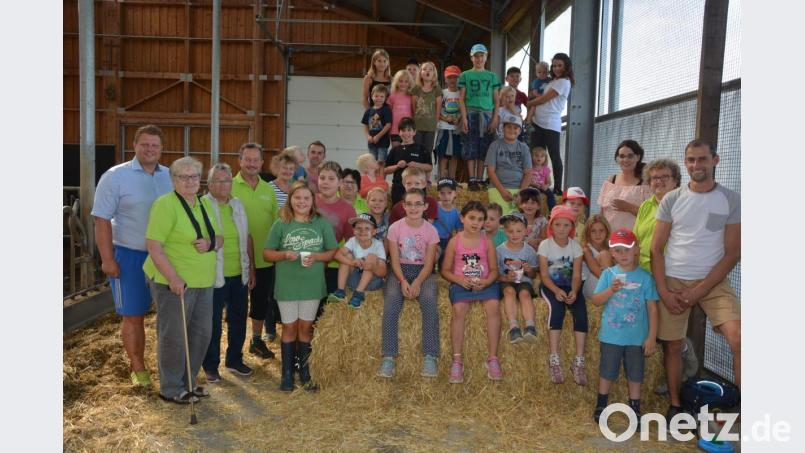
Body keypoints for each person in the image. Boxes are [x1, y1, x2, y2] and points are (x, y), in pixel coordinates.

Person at [650, 139, 741, 421]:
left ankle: (743, 406)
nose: (695, 165)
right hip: (674, 279)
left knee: (739, 338)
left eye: (702, 159)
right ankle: (676, 405)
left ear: (715, 160)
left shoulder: (730, 199)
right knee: (673, 345)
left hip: (712, 281)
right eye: (690, 159)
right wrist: (664, 292)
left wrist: (699, 290)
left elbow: (733, 252)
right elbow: (656, 249)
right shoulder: (672, 199)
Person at [92, 124, 173, 388]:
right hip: (130, 254)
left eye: (155, 145)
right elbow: (101, 219)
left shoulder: (170, 176)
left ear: (162, 148)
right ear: (134, 145)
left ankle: (170, 366)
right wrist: (107, 259)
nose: (150, 149)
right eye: (145, 144)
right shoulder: (115, 176)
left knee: (170, 314)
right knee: (133, 314)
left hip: (166, 256)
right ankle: (138, 367)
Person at [143, 157, 222, 404]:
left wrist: (210, 243)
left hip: (203, 280)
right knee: (175, 336)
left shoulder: (205, 203)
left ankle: (188, 382)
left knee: (201, 333)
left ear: (200, 179)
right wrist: (173, 277)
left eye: (194, 176)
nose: (189, 181)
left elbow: (219, 238)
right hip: (175, 283)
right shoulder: (165, 205)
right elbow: (154, 246)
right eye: (183, 177)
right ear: (173, 180)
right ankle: (170, 387)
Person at [264, 182, 339, 392]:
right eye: (297, 197)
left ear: (313, 200)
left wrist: (316, 257)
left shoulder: (321, 223)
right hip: (287, 285)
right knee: (289, 328)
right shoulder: (281, 223)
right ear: (290, 200)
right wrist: (284, 255)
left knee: (305, 328)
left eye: (306, 198)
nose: (302, 202)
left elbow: (332, 251)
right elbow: (267, 253)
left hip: (312, 285)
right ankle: (287, 374)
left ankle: (305, 373)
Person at [591, 228, 658, 422]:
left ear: (636, 249)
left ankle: (635, 408)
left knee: (635, 374)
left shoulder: (645, 277)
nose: (623, 254)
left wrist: (651, 337)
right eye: (617, 250)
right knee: (607, 371)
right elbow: (596, 300)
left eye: (627, 249)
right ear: (611, 252)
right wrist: (610, 290)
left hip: (637, 338)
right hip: (611, 336)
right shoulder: (608, 274)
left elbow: (653, 309)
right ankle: (601, 404)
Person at [379, 188, 441, 379]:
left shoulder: (431, 231)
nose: (414, 208)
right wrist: (403, 281)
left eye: (418, 204)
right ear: (403, 206)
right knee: (391, 301)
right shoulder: (395, 228)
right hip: (400, 271)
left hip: (423, 271)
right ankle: (388, 356)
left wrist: (418, 283)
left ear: (425, 206)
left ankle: (430, 355)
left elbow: (429, 264)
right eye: (410, 204)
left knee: (429, 300)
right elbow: (394, 260)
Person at [202, 163, 256, 382]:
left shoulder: (238, 205)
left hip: (239, 273)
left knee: (238, 319)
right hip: (213, 275)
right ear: (209, 184)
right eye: (218, 180)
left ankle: (234, 360)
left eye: (227, 180)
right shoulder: (202, 205)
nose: (223, 185)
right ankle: (210, 365)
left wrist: (251, 267)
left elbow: (247, 236)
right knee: (213, 322)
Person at [441, 201, 502, 383]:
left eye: (480, 219)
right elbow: (445, 271)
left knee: (494, 306)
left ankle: (493, 358)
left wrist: (487, 282)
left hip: (485, 283)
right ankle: (457, 360)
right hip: (461, 284)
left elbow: (494, 270)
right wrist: (460, 280)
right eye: (472, 218)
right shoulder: (455, 241)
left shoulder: (487, 242)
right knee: (458, 309)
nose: (476, 223)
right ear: (462, 218)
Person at [230, 143, 280, 358]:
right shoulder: (229, 187)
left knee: (260, 302)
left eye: (255, 160)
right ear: (239, 161)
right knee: (237, 307)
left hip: (265, 256)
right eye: (247, 159)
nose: (251, 163)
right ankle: (234, 350)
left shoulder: (268, 189)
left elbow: (277, 222)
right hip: (236, 259)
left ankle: (256, 340)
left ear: (261, 162)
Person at [538, 205, 587, 386]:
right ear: (551, 226)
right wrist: (556, 291)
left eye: (566, 225)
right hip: (550, 286)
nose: (561, 229)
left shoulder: (576, 247)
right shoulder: (545, 245)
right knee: (557, 311)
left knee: (581, 313)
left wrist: (574, 290)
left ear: (572, 227)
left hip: (570, 285)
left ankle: (579, 361)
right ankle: (554, 359)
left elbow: (576, 275)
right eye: (558, 224)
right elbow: (544, 276)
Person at [527, 53, 574, 194]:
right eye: (554, 66)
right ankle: (536, 184)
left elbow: (544, 99)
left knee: (554, 154)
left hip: (551, 124)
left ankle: (557, 187)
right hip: (537, 122)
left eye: (559, 65)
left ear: (566, 66)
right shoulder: (552, 81)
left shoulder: (564, 82)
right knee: (536, 155)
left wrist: (529, 103)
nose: (556, 68)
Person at [459, 43, 501, 191]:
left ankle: (479, 178)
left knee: (484, 148)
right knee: (471, 147)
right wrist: (464, 118)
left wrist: (495, 119)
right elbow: (461, 99)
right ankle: (471, 179)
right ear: (471, 58)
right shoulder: (465, 75)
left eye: (481, 56)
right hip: (471, 113)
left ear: (486, 57)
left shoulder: (492, 76)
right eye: (476, 56)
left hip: (487, 115)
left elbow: (496, 100)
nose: (479, 59)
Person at [316, 161, 357, 311]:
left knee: (324, 310)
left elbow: (351, 243)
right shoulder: (307, 200)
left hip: (332, 266)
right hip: (306, 263)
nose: (325, 182)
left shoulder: (348, 210)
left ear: (340, 182)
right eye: (322, 178)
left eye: (331, 178)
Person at [328, 213, 388, 308]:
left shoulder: (378, 244)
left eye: (367, 228)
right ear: (354, 231)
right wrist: (352, 262)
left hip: (371, 283)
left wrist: (372, 267)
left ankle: (358, 294)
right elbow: (337, 255)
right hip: (354, 282)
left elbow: (383, 272)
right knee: (347, 256)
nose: (362, 231)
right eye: (358, 228)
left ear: (374, 232)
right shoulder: (353, 240)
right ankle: (340, 291)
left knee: (371, 257)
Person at [496, 213, 539, 344]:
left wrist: (529, 270)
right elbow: (495, 274)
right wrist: (505, 277)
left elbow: (534, 275)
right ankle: (513, 327)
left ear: (526, 231)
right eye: (510, 231)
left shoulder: (529, 251)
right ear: (504, 231)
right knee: (509, 292)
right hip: (507, 282)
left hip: (524, 282)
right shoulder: (499, 251)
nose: (514, 235)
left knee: (525, 294)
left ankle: (530, 327)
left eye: (519, 231)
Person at [633, 158, 681, 272]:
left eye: (665, 177)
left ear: (675, 181)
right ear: (649, 183)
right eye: (654, 178)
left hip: (669, 271)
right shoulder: (646, 205)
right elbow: (636, 239)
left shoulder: (682, 205)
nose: (659, 181)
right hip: (642, 270)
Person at [597, 139, 652, 231]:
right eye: (622, 156)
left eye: (630, 156)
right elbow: (602, 212)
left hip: (633, 237)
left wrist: (628, 207)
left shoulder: (646, 183)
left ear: (638, 157)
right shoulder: (610, 180)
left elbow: (651, 215)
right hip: (609, 237)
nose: (625, 160)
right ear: (618, 159)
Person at [485, 115, 532, 214]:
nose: (512, 130)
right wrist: (502, 191)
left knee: (518, 220)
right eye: (509, 127)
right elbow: (490, 171)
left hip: (519, 189)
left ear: (520, 131)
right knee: (499, 219)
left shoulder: (524, 147)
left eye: (515, 128)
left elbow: (528, 173)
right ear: (503, 128)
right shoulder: (495, 145)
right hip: (497, 189)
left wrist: (521, 194)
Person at [384, 117, 433, 205]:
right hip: (398, 190)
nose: (406, 133)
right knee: (399, 211)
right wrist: (397, 166)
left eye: (409, 130)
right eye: (403, 130)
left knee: (416, 211)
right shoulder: (395, 150)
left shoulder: (422, 149)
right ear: (399, 132)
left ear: (414, 132)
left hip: (418, 190)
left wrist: (416, 165)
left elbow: (429, 167)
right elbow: (386, 170)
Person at [435, 65, 463, 181]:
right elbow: (436, 111)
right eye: (450, 77)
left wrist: (459, 118)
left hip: (457, 129)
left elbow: (464, 109)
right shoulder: (442, 93)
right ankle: (442, 178)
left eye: (455, 77)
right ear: (445, 79)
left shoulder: (461, 93)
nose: (452, 80)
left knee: (455, 155)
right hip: (444, 127)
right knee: (443, 154)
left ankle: (452, 179)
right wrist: (444, 118)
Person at [411, 61, 441, 153]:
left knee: (427, 151)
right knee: (416, 150)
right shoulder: (416, 88)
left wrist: (436, 122)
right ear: (420, 73)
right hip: (418, 126)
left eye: (430, 69)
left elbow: (438, 107)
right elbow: (413, 107)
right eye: (424, 69)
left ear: (434, 73)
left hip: (430, 127)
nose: (427, 71)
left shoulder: (436, 89)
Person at [581, 214, 613, 300]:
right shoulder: (586, 249)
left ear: (606, 232)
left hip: (605, 285)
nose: (597, 234)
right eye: (593, 231)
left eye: (601, 230)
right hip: (589, 286)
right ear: (588, 233)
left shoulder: (610, 248)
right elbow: (595, 270)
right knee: (604, 254)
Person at [434, 178, 463, 268]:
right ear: (438, 194)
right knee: (434, 255)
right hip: (434, 241)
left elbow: (459, 231)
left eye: (449, 193)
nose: (446, 196)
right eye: (442, 193)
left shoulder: (457, 213)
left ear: (455, 193)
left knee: (450, 261)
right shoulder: (434, 207)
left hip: (447, 241)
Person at [361, 84, 392, 165]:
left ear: (385, 98)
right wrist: (368, 136)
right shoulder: (368, 111)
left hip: (383, 142)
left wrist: (378, 136)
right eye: (376, 96)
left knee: (381, 162)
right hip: (371, 142)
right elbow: (365, 124)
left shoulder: (386, 110)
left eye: (382, 96)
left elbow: (388, 125)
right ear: (372, 96)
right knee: (372, 162)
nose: (379, 98)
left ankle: (381, 174)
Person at [387, 70, 414, 148]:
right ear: (396, 82)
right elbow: (388, 112)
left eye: (406, 81)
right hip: (395, 129)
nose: (403, 84)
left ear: (410, 83)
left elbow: (414, 111)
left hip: (408, 129)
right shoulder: (392, 96)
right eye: (401, 81)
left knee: (407, 151)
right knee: (396, 150)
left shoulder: (412, 96)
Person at [525, 61, 550, 127]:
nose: (542, 74)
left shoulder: (550, 80)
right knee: (533, 107)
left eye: (544, 72)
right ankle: (528, 121)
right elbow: (534, 92)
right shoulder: (536, 81)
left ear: (548, 72)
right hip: (538, 97)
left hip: (546, 98)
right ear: (536, 73)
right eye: (539, 72)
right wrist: (542, 97)